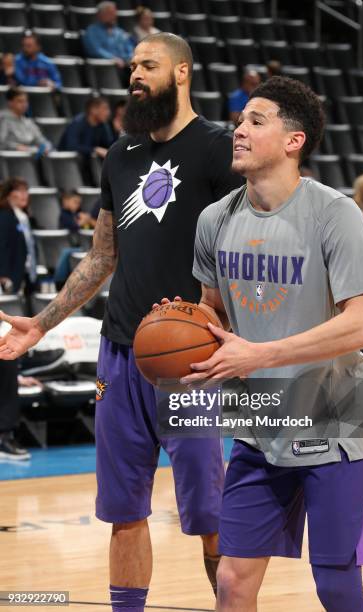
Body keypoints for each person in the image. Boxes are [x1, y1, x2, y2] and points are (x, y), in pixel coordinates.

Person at [0, 32, 243, 612]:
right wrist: (44, 321)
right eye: (132, 65)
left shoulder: (216, 148)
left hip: (191, 360)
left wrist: (212, 319)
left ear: (182, 73)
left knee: (210, 516)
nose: (135, 74)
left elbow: (239, 252)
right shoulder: (122, 153)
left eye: (149, 65)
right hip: (120, 355)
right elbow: (102, 255)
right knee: (123, 511)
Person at [182, 76, 363, 610]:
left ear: (294, 141)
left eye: (255, 121)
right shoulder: (215, 218)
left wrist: (262, 353)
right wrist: (181, 324)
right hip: (259, 424)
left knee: (336, 586)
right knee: (231, 581)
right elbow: (213, 307)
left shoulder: (333, 214)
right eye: (239, 120)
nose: (238, 130)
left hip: (333, 424)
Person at [58, 96, 115, 183]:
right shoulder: (77, 123)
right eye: (105, 109)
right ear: (93, 110)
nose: (108, 113)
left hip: (89, 165)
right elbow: (71, 146)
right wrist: (94, 149)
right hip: (67, 166)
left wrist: (117, 132)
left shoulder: (102, 125)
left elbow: (109, 145)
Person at [0, 177, 37, 296]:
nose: (24, 195)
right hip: (10, 274)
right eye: (20, 191)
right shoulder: (5, 217)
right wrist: (3, 275)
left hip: (25, 272)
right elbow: (2, 246)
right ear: (9, 194)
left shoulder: (24, 217)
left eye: (26, 190)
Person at [0, 88, 52, 153]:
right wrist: (16, 147)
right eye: (20, 101)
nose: (24, 104)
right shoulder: (2, 118)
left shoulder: (28, 121)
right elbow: (1, 143)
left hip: (29, 159)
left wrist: (45, 147)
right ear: (10, 103)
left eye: (25, 101)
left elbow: (42, 140)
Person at [83, 1, 134, 67]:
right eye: (109, 13)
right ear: (100, 14)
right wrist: (112, 58)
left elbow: (129, 48)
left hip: (125, 66)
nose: (114, 16)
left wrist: (131, 58)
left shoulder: (119, 32)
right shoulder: (91, 31)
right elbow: (95, 50)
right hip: (105, 67)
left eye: (114, 13)